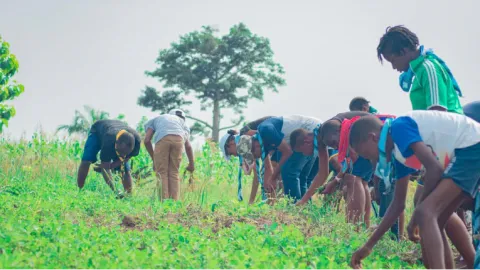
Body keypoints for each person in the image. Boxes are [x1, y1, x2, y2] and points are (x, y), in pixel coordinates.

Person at [349, 111, 479, 270]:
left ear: (373, 137)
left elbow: (434, 169)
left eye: (367, 154)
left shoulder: (398, 128)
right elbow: (398, 204)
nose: (372, 160)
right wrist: (368, 246)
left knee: (425, 212)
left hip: (471, 145)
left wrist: (418, 214)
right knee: (435, 219)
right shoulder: (398, 153)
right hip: (466, 151)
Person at [296, 111, 373, 228]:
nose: (336, 148)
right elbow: (323, 173)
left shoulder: (342, 128)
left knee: (353, 178)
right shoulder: (322, 137)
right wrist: (304, 199)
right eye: (332, 146)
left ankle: (354, 226)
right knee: (361, 180)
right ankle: (364, 226)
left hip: (369, 134)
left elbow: (349, 165)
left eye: (334, 143)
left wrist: (336, 180)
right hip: (367, 138)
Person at [237, 115, 322, 203]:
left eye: (254, 155)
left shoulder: (265, 130)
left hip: (310, 130)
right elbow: (267, 169)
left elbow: (287, 152)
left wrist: (273, 178)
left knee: (289, 172)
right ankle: (304, 207)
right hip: (307, 132)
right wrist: (269, 186)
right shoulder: (263, 143)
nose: (256, 158)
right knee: (300, 176)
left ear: (256, 145)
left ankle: (294, 207)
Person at [219, 116, 278, 203]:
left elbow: (258, 173)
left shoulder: (243, 141)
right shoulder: (242, 142)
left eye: (230, 153)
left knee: (269, 172)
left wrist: (251, 202)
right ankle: (274, 203)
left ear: (230, 143)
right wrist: (251, 201)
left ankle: (273, 204)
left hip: (277, 135)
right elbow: (255, 175)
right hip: (274, 143)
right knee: (269, 173)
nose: (233, 156)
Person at [77, 119, 141, 197]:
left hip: (114, 129)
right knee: (86, 160)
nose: (122, 156)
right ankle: (79, 190)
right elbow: (105, 167)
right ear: (116, 144)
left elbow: (125, 159)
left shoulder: (137, 141)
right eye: (120, 152)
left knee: (125, 169)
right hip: (97, 131)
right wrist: (115, 191)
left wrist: (112, 165)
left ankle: (129, 195)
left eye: (125, 153)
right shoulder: (109, 141)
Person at [143, 109, 194, 201]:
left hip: (163, 138)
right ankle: (174, 203)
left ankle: (164, 202)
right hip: (179, 140)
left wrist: (154, 159)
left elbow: (147, 140)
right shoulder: (182, 122)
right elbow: (188, 146)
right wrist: (191, 164)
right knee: (174, 172)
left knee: (162, 172)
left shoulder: (156, 119)